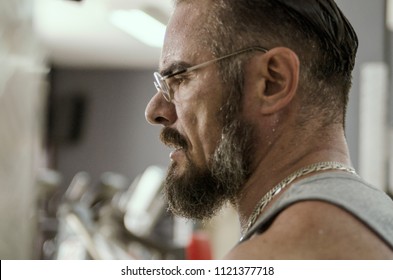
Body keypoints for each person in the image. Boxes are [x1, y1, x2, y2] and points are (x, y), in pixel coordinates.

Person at [145, 0, 393, 259]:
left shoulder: (273, 255)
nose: (154, 111)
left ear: (272, 82)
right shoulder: (378, 214)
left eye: (179, 77)